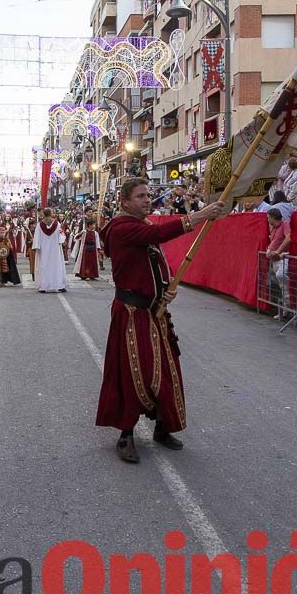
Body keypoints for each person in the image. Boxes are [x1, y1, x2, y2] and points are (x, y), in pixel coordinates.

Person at [96, 178, 227, 464]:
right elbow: (160, 234)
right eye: (140, 196)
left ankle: (162, 427)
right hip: (131, 313)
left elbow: (152, 260)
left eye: (148, 195)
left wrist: (165, 287)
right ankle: (126, 434)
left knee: (168, 371)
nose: (147, 200)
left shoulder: (139, 226)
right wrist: (201, 215)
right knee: (132, 372)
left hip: (155, 313)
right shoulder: (121, 228)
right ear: (125, 202)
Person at [32, 208, 68, 293]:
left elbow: (36, 237)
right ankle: (59, 285)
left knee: (44, 266)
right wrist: (62, 241)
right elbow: (61, 235)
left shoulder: (40, 225)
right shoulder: (57, 223)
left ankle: (43, 286)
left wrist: (36, 246)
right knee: (56, 266)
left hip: (44, 249)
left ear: (44, 214)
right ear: (51, 213)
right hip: (55, 249)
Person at [72, 214, 103, 280]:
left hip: (93, 250)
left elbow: (97, 242)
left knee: (93, 263)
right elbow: (76, 238)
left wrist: (98, 249)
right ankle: (84, 275)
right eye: (93, 225)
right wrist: (81, 233)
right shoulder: (84, 232)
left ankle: (92, 275)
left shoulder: (95, 233)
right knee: (85, 263)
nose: (94, 226)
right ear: (89, 225)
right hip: (85, 250)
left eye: (94, 224)